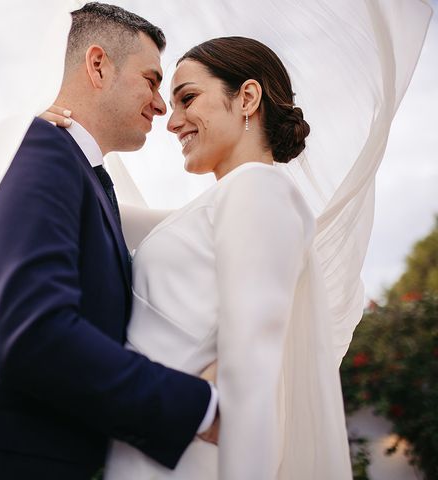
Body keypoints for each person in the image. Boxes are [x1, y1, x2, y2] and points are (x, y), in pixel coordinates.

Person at [0, 3, 220, 479]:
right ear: (98, 65)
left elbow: (184, 230)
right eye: (152, 80)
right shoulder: (38, 147)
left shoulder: (84, 177)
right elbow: (31, 334)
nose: (160, 105)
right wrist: (203, 408)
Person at [46, 35, 353, 479]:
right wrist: (53, 143)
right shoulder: (215, 208)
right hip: (152, 454)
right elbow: (100, 214)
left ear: (247, 97)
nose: (172, 122)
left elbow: (250, 375)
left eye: (187, 98)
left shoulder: (258, 190)